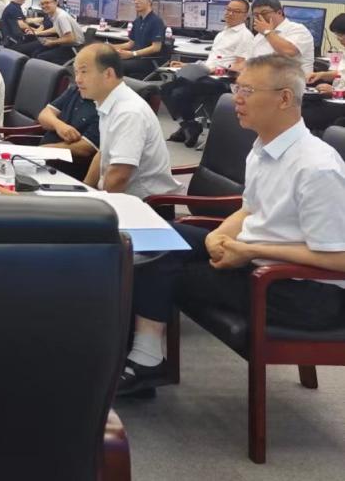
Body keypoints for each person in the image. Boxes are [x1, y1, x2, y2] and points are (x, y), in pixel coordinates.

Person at [118, 54, 345, 396]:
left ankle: (144, 360)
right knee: (158, 237)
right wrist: (219, 236)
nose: (236, 98)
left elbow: (339, 257)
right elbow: (249, 209)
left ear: (284, 98)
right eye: (238, 88)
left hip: (301, 293)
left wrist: (250, 251)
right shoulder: (262, 147)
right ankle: (140, 354)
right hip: (256, 259)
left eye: (247, 91)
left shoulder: (317, 168)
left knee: (158, 267)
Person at [73, 43, 177, 201]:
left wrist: (93, 208)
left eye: (84, 72)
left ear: (108, 74)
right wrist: (84, 191)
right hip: (121, 197)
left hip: (145, 206)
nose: (78, 79)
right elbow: (104, 153)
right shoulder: (107, 102)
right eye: (76, 72)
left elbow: (119, 177)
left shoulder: (128, 112)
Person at [160, 0, 254, 147]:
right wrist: (188, 65)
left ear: (245, 16)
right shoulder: (222, 34)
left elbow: (240, 66)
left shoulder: (245, 36)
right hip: (208, 73)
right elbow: (212, 60)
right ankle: (189, 125)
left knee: (179, 92)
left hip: (223, 79)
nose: (230, 13)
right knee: (165, 89)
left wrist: (217, 69)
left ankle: (189, 127)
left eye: (236, 11)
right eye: (228, 10)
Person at [37, 83, 103, 180]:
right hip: (40, 159)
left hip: (65, 171)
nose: (78, 79)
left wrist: (43, 151)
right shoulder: (75, 90)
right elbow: (43, 116)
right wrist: (59, 125)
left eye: (84, 74)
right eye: (76, 74)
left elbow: (84, 149)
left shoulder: (104, 105)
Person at [244, 0, 315, 77]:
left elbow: (288, 52)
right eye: (256, 15)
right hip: (261, 80)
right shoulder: (260, 36)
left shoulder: (298, 29)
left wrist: (267, 32)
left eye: (264, 13)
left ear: (279, 12)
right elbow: (249, 62)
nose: (260, 17)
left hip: (291, 82)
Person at [113, 0, 166, 79]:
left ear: (149, 1)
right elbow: (130, 44)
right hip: (137, 58)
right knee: (110, 61)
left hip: (148, 61)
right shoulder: (137, 21)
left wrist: (132, 54)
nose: (136, 2)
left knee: (116, 65)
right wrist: (111, 47)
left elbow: (156, 47)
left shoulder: (156, 21)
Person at [17, 0, 79, 65]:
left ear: (56, 1)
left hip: (67, 46)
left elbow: (68, 37)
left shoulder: (61, 16)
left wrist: (50, 40)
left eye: (47, 2)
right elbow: (46, 28)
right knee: (33, 52)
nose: (44, 5)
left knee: (38, 56)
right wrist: (34, 32)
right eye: (43, 3)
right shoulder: (50, 14)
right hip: (53, 41)